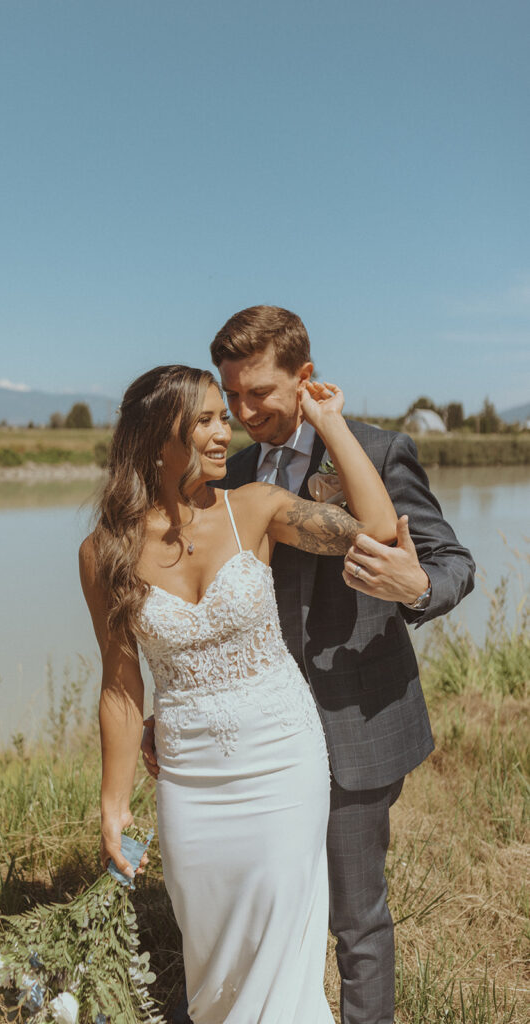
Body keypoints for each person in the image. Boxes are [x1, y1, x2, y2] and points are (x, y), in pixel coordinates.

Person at [144, 306, 475, 1024]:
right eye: (229, 395)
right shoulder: (225, 471)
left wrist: (413, 587)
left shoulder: (378, 451)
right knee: (249, 913)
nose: (240, 410)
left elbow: (451, 562)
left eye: (257, 392)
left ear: (304, 377)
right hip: (258, 739)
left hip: (354, 720)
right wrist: (176, 697)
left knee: (354, 918)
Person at [79, 363, 399, 1024]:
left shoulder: (254, 506)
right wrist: (113, 805)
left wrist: (329, 422)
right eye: (206, 419)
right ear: (155, 437)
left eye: (223, 417)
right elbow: (119, 686)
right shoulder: (102, 552)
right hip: (189, 779)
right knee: (216, 961)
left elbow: (377, 526)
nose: (227, 431)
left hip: (283, 761)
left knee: (281, 961)